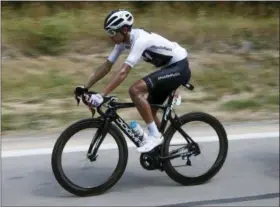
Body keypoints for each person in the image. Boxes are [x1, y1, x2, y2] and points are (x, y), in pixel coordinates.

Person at [75, 9, 191, 153]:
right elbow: (106, 66)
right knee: (150, 111)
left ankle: (155, 136)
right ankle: (161, 149)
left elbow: (123, 72)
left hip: (179, 66)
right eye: (108, 33)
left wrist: (101, 95)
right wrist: (85, 87)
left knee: (135, 90)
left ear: (124, 30)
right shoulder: (123, 42)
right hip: (168, 69)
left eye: (111, 32)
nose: (109, 37)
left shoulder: (140, 40)